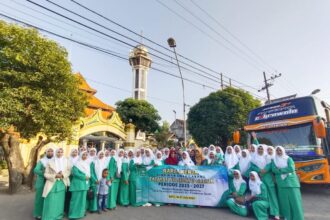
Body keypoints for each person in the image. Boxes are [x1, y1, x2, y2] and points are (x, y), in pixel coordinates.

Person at [272, 146, 304, 220]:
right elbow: (274, 170)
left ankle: (298, 218)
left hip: (292, 183)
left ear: (283, 151)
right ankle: (287, 217)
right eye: (277, 151)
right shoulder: (274, 160)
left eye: (280, 150)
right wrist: (283, 170)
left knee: (295, 201)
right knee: (284, 203)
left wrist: (280, 170)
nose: (279, 152)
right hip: (281, 184)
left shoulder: (288, 159)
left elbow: (291, 168)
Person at [251, 145, 280, 219]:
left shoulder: (267, 156)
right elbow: (252, 166)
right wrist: (259, 170)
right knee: (263, 195)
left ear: (264, 149)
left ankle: (276, 213)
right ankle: (268, 212)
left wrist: (265, 170)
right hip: (259, 177)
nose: (260, 150)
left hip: (268, 177)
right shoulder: (254, 157)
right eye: (259, 149)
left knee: (272, 195)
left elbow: (270, 164)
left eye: (261, 149)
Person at [42, 147, 70, 220]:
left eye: (61, 152)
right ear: (55, 153)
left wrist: (63, 175)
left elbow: (68, 171)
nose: (60, 153)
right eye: (58, 152)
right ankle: (48, 217)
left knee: (59, 202)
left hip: (62, 183)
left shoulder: (66, 161)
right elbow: (45, 174)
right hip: (52, 184)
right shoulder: (50, 162)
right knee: (50, 201)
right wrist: (55, 175)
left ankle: (58, 216)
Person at [33, 147, 54, 220]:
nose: (50, 152)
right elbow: (35, 170)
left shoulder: (55, 161)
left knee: (49, 198)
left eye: (52, 151)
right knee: (40, 198)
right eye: (49, 151)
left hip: (51, 182)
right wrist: (44, 173)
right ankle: (38, 214)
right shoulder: (41, 161)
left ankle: (47, 214)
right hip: (42, 182)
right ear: (46, 152)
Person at [68, 151, 90, 219]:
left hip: (84, 185)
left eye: (86, 155)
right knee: (75, 200)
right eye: (83, 155)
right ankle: (73, 215)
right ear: (80, 155)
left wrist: (88, 178)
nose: (85, 156)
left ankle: (80, 214)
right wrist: (84, 177)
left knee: (82, 201)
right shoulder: (76, 164)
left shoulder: (87, 164)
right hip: (77, 185)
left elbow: (89, 174)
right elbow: (75, 173)